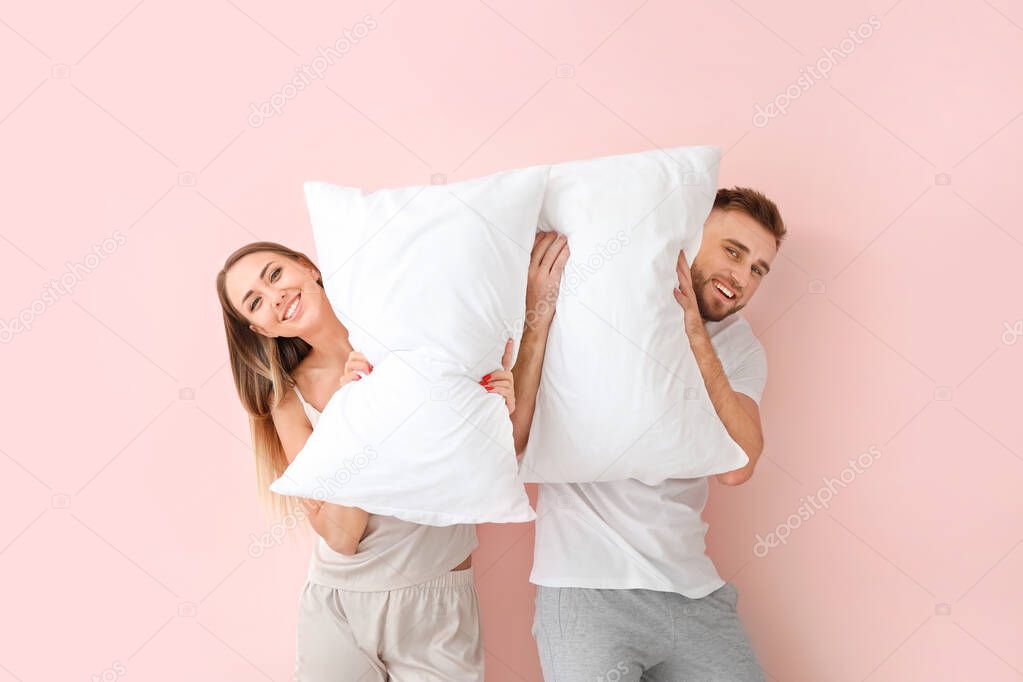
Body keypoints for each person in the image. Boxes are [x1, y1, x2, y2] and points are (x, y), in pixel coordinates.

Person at [514, 188, 786, 681]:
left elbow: (739, 467)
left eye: (758, 270)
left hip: (692, 593)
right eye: (733, 252)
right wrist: (537, 317)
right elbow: (512, 441)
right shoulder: (597, 307)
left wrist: (696, 335)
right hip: (585, 589)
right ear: (690, 235)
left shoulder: (741, 347)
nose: (742, 278)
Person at [216, 241, 516, 681]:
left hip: (436, 600)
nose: (274, 296)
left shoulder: (411, 340)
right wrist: (352, 411)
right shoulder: (289, 398)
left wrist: (494, 411)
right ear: (260, 330)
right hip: (339, 606)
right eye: (255, 302)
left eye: (274, 274)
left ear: (307, 267)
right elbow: (341, 534)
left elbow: (475, 461)